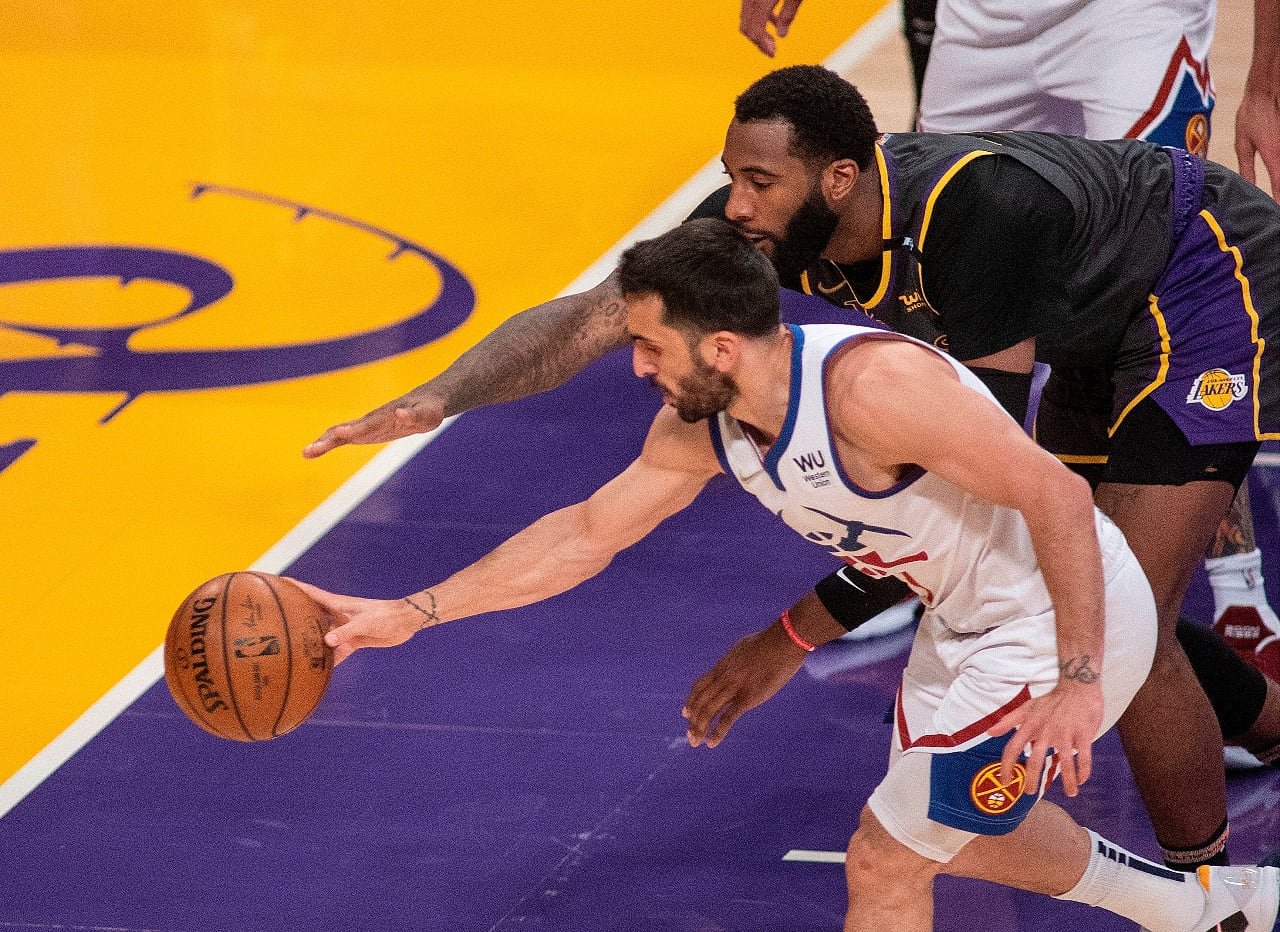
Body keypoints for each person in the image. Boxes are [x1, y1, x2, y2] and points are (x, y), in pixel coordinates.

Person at [303, 66, 1280, 873]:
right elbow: (587, 317)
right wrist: (439, 398)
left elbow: (959, 509)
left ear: (841, 179)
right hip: (1079, 307)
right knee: (1078, 570)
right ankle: (1267, 721)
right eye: (732, 177)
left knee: (1119, 618)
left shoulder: (973, 216)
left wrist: (789, 635)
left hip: (1192, 279)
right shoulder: (760, 230)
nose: (735, 205)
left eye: (759, 183)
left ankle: (1213, 895)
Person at [737, 0, 1280, 691]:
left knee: (1163, 258)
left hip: (1129, 13)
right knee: (940, 247)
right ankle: (910, 559)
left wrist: (1265, 80)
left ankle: (1238, 589)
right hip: (981, 16)